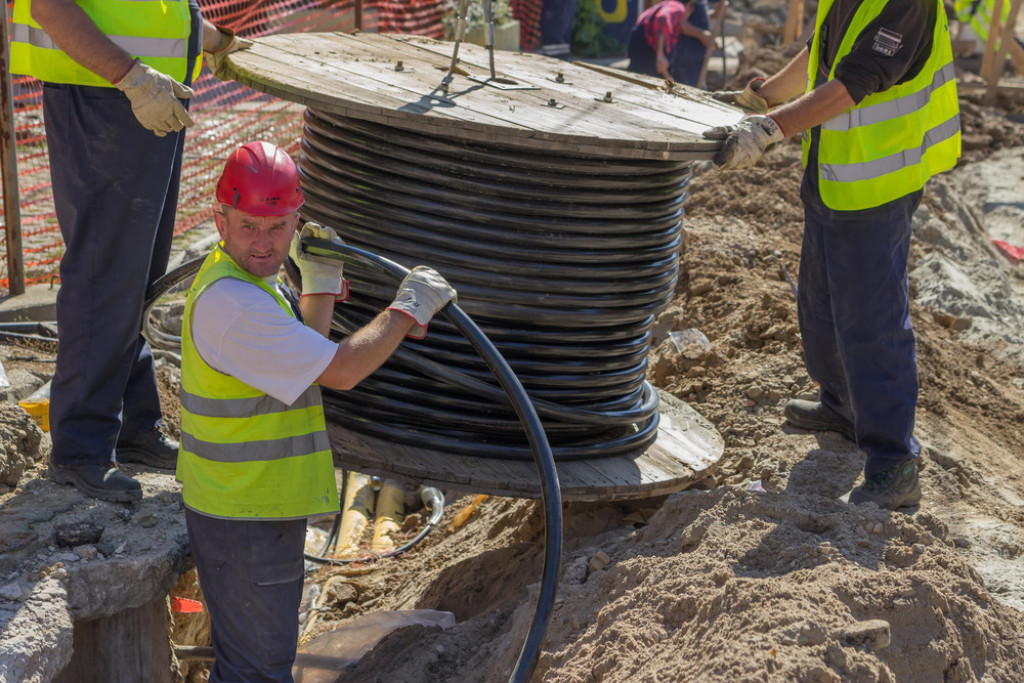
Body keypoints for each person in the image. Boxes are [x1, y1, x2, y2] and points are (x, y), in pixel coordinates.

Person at [177, 140, 456, 681]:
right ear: (219, 220)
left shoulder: (246, 283)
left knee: (252, 664)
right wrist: (406, 310)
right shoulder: (234, 304)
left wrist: (320, 287)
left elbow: (301, 355)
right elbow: (342, 371)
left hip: (248, 505)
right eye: (249, 226)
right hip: (244, 515)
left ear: (295, 220)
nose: (264, 243)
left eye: (278, 228)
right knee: (256, 670)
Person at [706, 0, 961, 509]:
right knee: (819, 306)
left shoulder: (908, 5)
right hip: (832, 173)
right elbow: (820, 49)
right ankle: (842, 406)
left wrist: (771, 127)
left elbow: (851, 82)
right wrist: (762, 98)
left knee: (874, 322)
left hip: (878, 184)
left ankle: (894, 462)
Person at [9, 0, 250, 502]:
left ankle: (131, 426)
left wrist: (210, 39)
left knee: (137, 273)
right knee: (105, 273)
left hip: (139, 93)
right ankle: (81, 447)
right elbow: (51, 8)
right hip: (109, 93)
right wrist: (134, 78)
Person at [626, 0, 719, 86]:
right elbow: (662, 19)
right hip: (646, 44)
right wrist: (660, 57)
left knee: (637, 78)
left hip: (640, 42)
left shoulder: (668, 5)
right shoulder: (679, 8)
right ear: (689, 5)